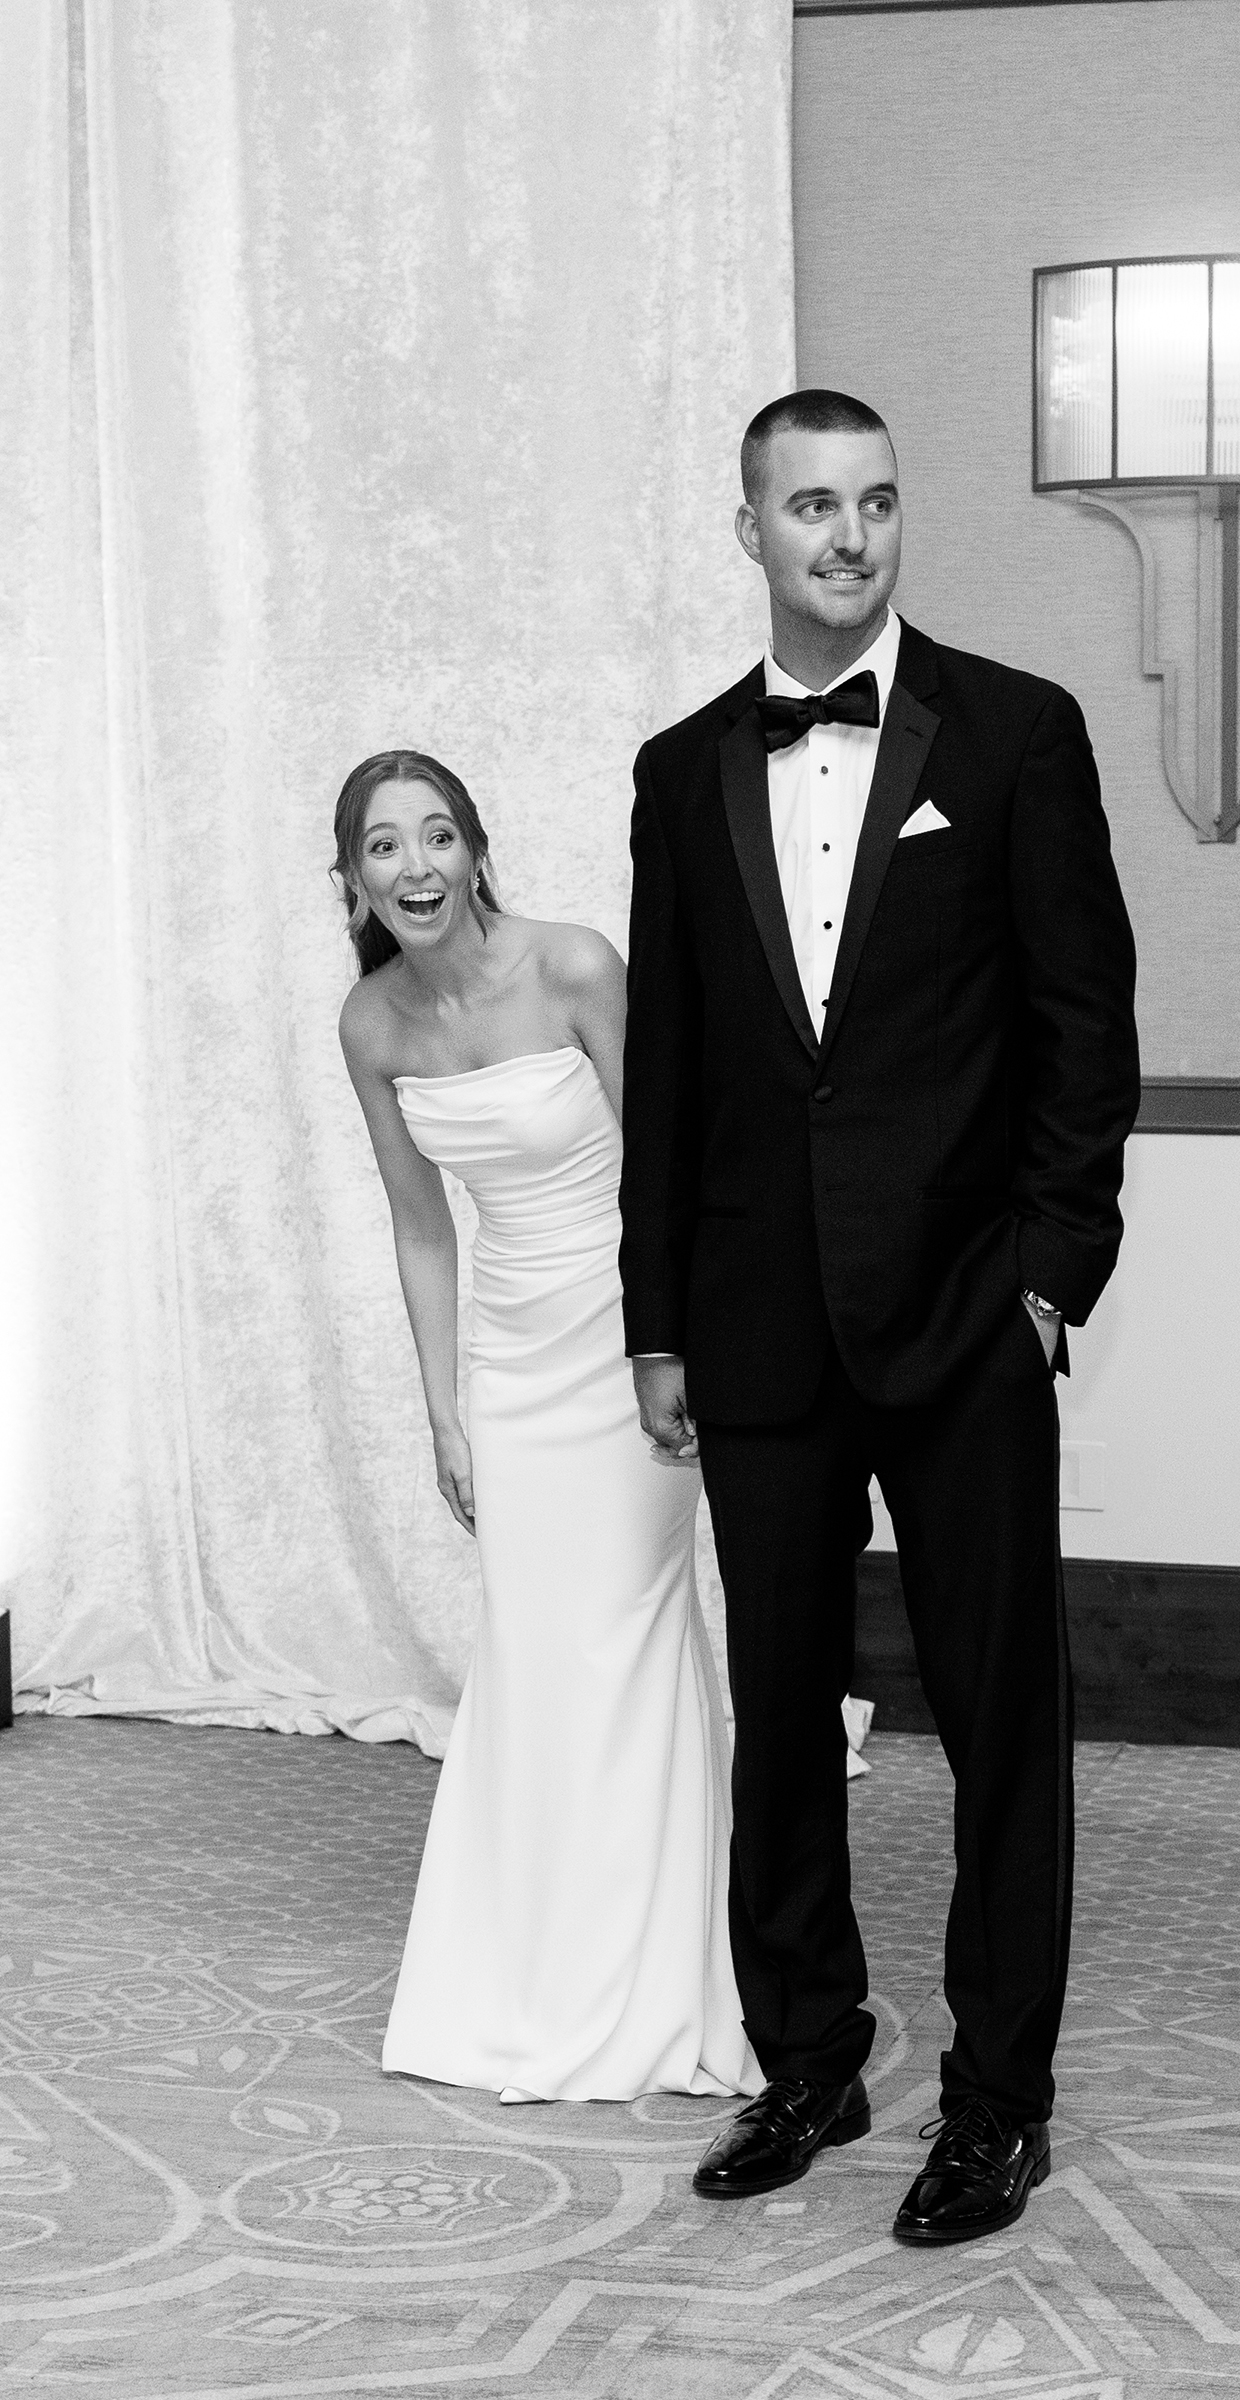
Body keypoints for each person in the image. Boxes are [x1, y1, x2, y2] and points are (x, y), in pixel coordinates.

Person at [619, 391, 1139, 2241]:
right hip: (756, 1328)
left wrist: (1051, 1278)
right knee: (780, 1707)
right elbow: (670, 1065)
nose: (849, 536)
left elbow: (1088, 1024)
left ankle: (998, 2101)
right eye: (811, 506)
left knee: (1004, 1712)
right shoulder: (681, 772)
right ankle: (811, 2059)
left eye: (878, 503)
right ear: (748, 530)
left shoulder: (1017, 733)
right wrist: (656, 1323)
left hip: (963, 1319)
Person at [333, 748, 758, 2104]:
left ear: (475, 848)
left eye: (438, 835)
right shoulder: (372, 1026)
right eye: (386, 846)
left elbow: (672, 1163)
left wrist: (671, 1344)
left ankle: (657, 1979)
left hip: (628, 1348)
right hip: (512, 1372)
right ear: (348, 877)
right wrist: (445, 1413)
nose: (417, 866)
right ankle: (528, 1973)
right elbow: (419, 1228)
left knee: (631, 1642)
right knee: (534, 1655)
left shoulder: (574, 966)